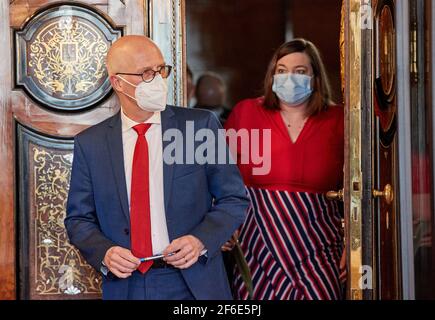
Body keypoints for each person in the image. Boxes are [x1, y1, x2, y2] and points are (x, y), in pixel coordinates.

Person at [65, 35, 249, 300]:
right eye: (146, 73)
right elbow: (78, 219)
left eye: (161, 70)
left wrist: (200, 241)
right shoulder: (91, 143)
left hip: (192, 282)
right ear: (117, 81)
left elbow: (233, 198)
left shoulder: (198, 127)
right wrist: (104, 252)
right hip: (126, 285)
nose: (158, 80)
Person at [224, 38, 346, 300]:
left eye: (300, 71)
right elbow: (219, 176)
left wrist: (357, 243)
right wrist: (221, 225)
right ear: (272, 75)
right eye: (281, 70)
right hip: (257, 242)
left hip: (320, 244)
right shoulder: (246, 112)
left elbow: (360, 185)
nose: (290, 78)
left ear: (315, 77)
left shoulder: (340, 120)